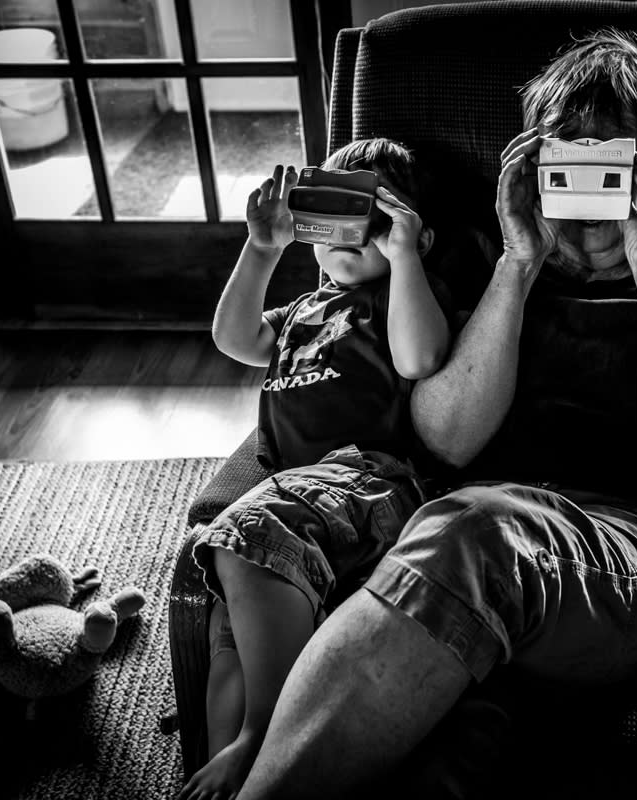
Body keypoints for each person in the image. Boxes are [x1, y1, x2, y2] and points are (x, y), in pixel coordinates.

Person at [233, 28, 637, 799]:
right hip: (470, 544)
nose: (588, 189)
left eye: (611, 161)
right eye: (568, 159)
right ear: (533, 158)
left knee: (473, 530)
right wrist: (520, 263)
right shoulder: (488, 256)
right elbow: (444, 436)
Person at [177, 138, 452, 800]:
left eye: (372, 216)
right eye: (328, 217)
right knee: (228, 632)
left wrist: (404, 257)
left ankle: (260, 740)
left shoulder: (403, 296)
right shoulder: (305, 309)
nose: (346, 234)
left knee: (252, 537)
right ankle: (230, 773)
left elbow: (419, 361)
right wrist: (264, 247)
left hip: (370, 480)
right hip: (294, 493)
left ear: (413, 232)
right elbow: (235, 338)